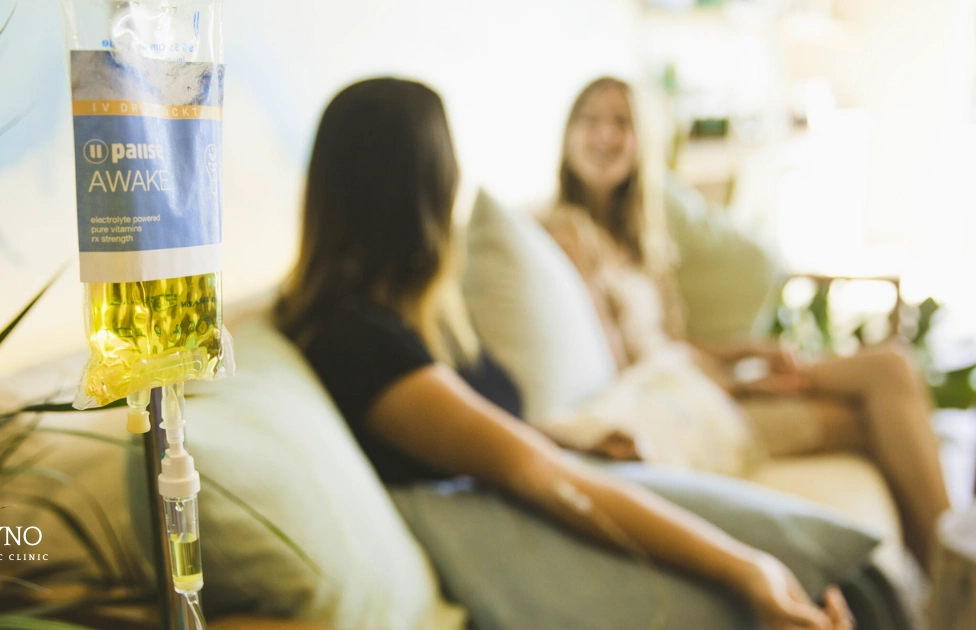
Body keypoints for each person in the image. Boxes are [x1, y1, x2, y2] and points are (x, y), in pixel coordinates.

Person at [273, 77, 853, 630]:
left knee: (819, 550)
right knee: (806, 567)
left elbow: (485, 440)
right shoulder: (357, 341)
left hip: (563, 470)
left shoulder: (392, 319)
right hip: (537, 534)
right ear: (418, 191)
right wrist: (747, 567)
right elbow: (539, 475)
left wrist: (562, 433)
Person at [543, 76, 951, 571]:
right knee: (880, 400)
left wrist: (751, 355)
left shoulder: (641, 237)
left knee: (890, 369)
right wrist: (737, 389)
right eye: (590, 120)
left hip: (698, 385)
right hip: (680, 406)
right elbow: (624, 371)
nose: (605, 135)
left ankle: (944, 580)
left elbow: (672, 344)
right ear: (568, 135)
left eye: (620, 123)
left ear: (641, 142)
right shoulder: (565, 233)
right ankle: (951, 578)